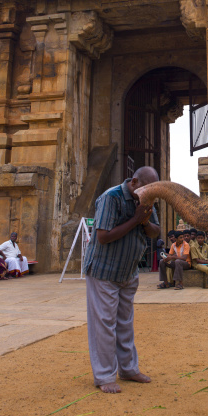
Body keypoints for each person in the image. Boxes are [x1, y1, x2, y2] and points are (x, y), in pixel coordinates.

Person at [83, 166, 161, 393]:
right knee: (105, 324)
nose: (148, 196)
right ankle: (105, 375)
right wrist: (136, 219)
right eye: (146, 190)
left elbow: (155, 231)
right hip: (104, 271)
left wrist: (145, 222)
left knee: (125, 324)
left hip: (128, 272)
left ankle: (128, 369)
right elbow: (103, 236)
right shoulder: (111, 197)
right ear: (134, 182)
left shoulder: (147, 199)